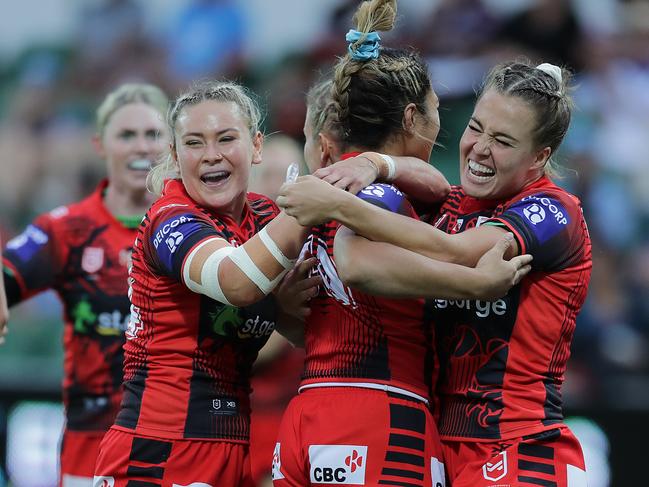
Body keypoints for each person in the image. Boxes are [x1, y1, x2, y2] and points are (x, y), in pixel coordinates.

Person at [278, 59, 591, 486]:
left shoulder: (554, 212)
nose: (480, 148)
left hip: (518, 447)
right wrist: (375, 164)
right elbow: (431, 183)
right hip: (444, 447)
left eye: (502, 140)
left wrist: (336, 203)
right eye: (475, 128)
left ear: (540, 156)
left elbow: (462, 253)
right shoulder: (449, 208)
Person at [92, 80, 309, 486]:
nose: (212, 155)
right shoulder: (171, 218)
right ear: (175, 156)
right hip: (158, 448)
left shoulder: (261, 217)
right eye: (194, 143)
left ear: (256, 146)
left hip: (232, 446)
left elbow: (301, 330)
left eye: (226, 138)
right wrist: (309, 208)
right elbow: (235, 284)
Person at [1, 83, 169, 486]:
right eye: (126, 135)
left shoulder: (197, 229)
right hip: (90, 441)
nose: (141, 147)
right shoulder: (67, 229)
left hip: (178, 438)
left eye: (153, 134)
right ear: (100, 145)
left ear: (173, 145)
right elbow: (7, 274)